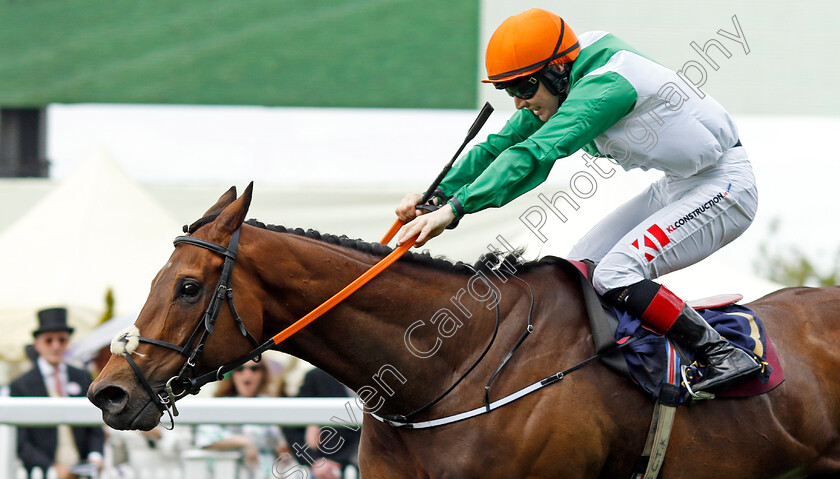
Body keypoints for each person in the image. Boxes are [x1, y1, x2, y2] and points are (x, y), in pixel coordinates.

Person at [396, 8, 760, 393]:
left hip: (725, 188)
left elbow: (536, 153)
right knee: (579, 269)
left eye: (524, 88)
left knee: (615, 274)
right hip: (678, 185)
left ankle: (721, 352)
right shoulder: (565, 75)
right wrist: (437, 195)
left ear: (556, 70)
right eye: (510, 91)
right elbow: (500, 144)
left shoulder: (607, 87)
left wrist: (456, 209)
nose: (519, 103)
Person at [9, 307, 105, 478]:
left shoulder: (82, 377)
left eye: (62, 340)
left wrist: (95, 457)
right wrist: (52, 468)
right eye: (49, 340)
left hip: (82, 471)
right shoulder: (21, 385)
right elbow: (21, 442)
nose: (56, 346)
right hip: (43, 473)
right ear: (37, 344)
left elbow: (95, 423)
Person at [194, 359, 288, 478]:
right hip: (229, 472)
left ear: (263, 373)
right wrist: (243, 442)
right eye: (240, 369)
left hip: (267, 472)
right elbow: (204, 439)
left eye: (254, 369)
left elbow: (282, 446)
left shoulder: (271, 404)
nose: (247, 374)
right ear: (232, 374)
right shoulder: (220, 405)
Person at [282, 368, 361, 479]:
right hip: (333, 471)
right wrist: (313, 460)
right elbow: (290, 425)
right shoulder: (318, 377)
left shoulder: (383, 374)